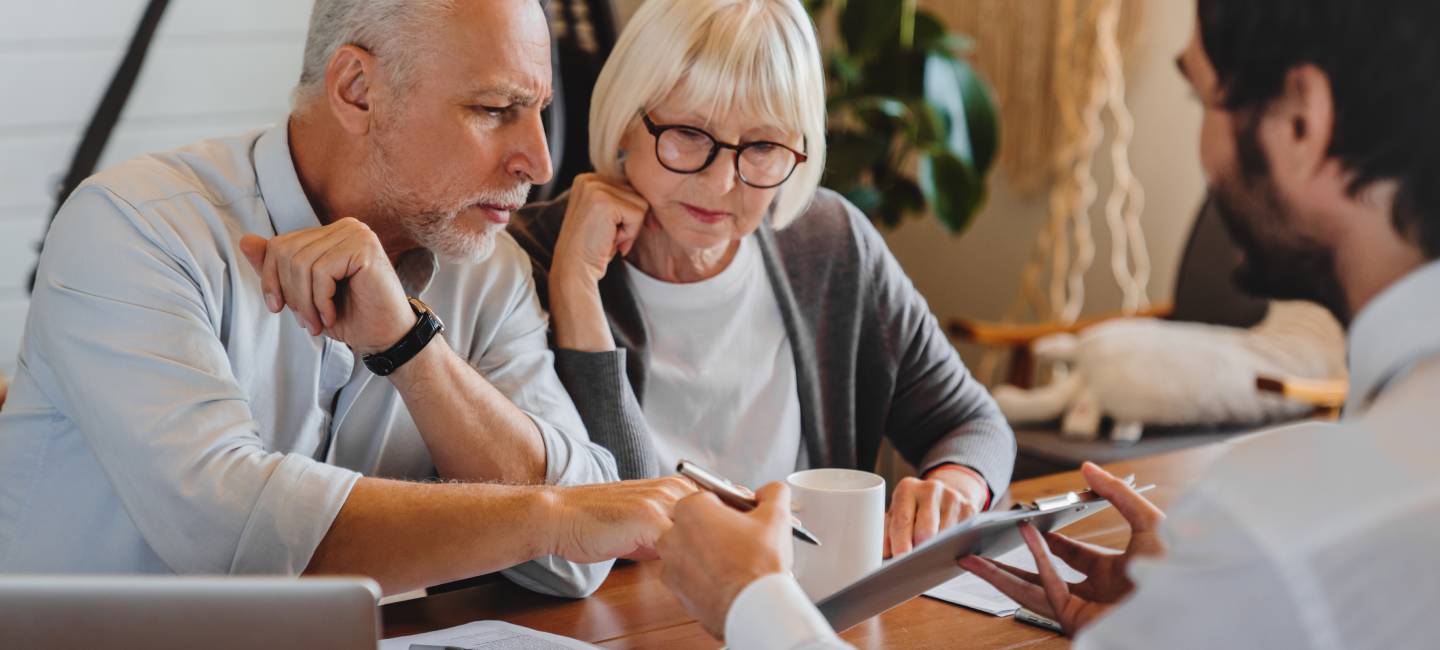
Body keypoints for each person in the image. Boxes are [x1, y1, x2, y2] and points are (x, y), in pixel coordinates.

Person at [656, 0, 1440, 646]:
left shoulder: (1282, 533)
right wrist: (1170, 618)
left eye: (1204, 101)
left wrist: (754, 604)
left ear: (1301, 119)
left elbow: (970, 420)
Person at [0, 0, 695, 598]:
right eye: (493, 109)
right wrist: (550, 517)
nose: (538, 163)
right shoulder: (134, 226)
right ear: (358, 90)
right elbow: (228, 536)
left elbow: (577, 564)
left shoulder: (487, 266)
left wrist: (412, 350)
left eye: (538, 112)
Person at [509, 0, 1015, 557]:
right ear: (625, 117)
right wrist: (575, 288)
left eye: (764, 146)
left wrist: (955, 487)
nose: (721, 182)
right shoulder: (528, 257)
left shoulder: (828, 242)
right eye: (689, 133)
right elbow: (606, 521)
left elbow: (973, 424)